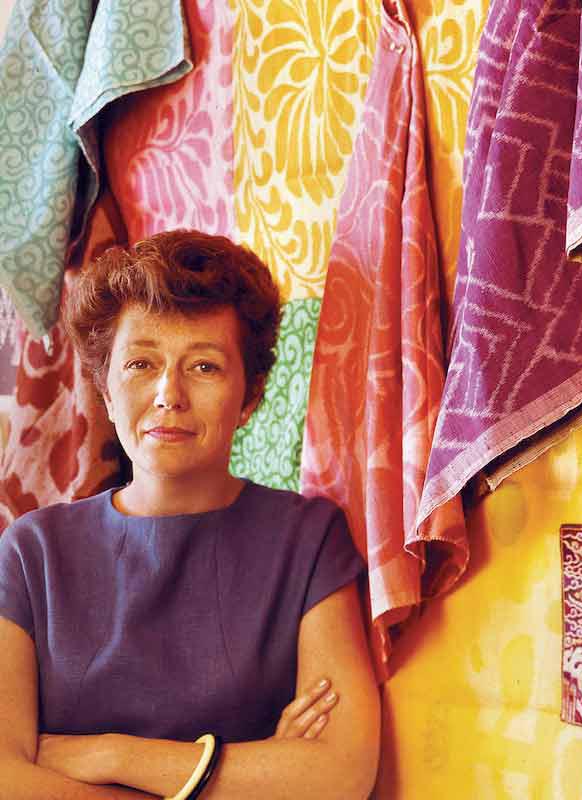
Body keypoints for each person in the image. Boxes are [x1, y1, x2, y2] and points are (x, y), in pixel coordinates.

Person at [0, 231, 380, 798]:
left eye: (203, 367)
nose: (168, 394)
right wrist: (256, 771)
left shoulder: (308, 541)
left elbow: (340, 773)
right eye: (140, 364)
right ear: (105, 391)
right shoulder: (32, 553)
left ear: (249, 396)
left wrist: (109, 754)